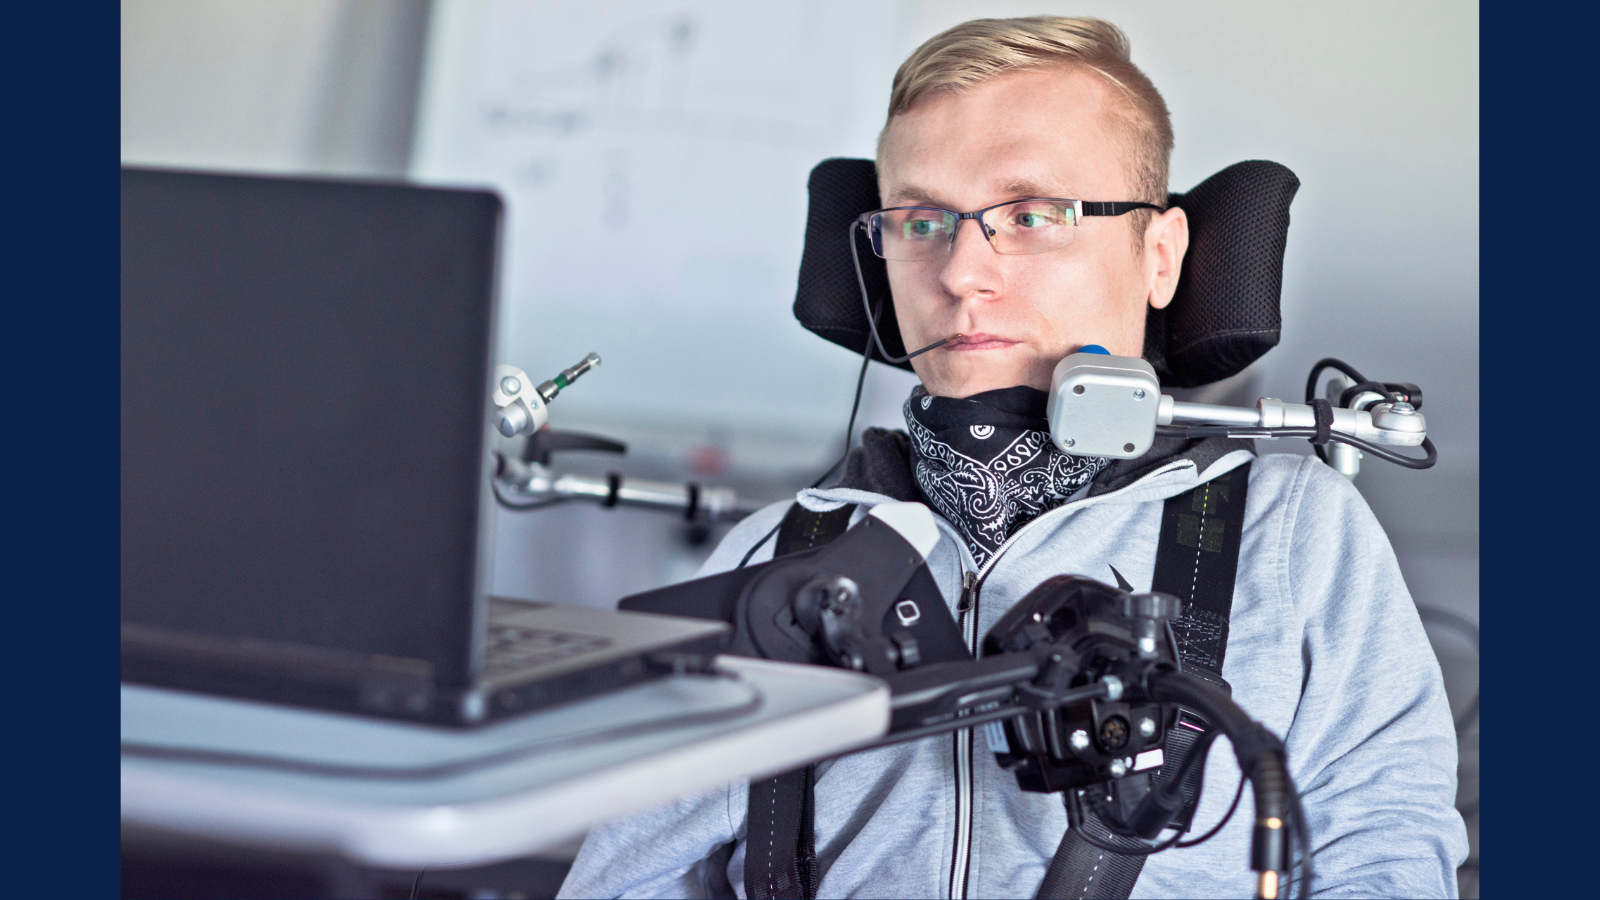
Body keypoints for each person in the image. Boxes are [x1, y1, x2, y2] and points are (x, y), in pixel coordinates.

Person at [558, 15, 1467, 899]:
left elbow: (1382, 853)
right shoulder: (774, 556)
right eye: (919, 222)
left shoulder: (1296, 532)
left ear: (1161, 256)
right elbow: (628, 877)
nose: (959, 273)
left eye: (1033, 215)